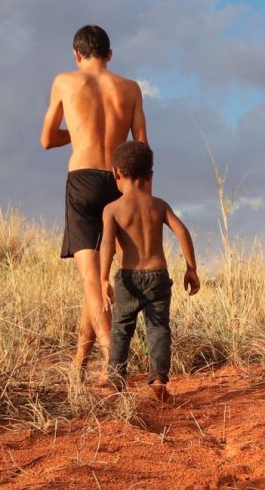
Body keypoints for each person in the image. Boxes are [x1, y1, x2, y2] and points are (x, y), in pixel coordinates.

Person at [40, 25, 147, 381]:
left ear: (76, 54)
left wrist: (81, 131)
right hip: (119, 182)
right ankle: (79, 362)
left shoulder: (65, 81)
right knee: (101, 278)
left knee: (90, 277)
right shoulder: (130, 89)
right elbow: (141, 148)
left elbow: (46, 139)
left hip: (83, 179)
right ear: (110, 55)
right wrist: (142, 199)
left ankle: (110, 362)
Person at [96, 142, 200, 402]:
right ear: (150, 175)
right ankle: (158, 380)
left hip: (128, 278)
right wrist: (191, 268)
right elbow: (182, 231)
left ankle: (116, 382)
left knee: (121, 329)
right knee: (158, 328)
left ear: (116, 173)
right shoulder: (159, 205)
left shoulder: (113, 209)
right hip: (158, 276)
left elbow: (107, 243)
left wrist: (102, 279)